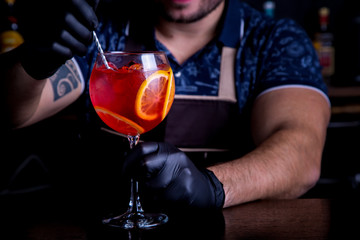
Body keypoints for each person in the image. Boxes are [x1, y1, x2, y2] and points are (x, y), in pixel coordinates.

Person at [1, 0, 330, 210]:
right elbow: (11, 113)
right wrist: (37, 58)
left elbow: (300, 151)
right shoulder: (102, 36)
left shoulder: (272, 40)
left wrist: (213, 187)